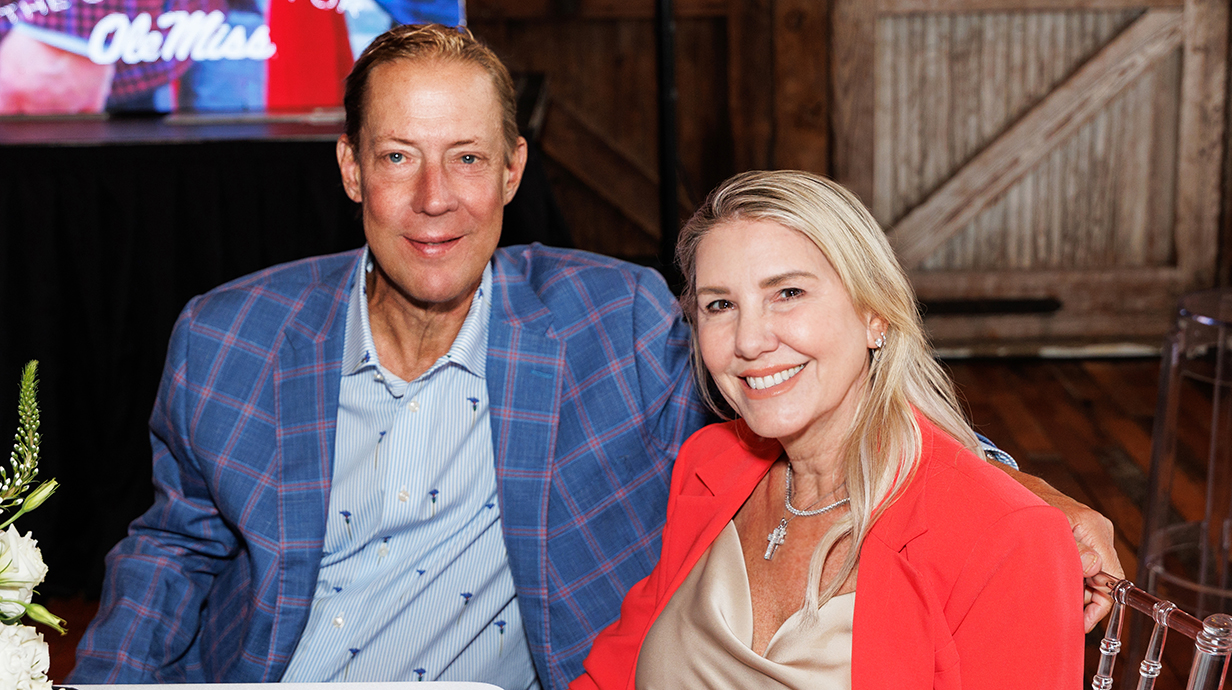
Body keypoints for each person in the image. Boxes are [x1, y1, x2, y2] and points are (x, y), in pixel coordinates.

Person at [69, 24, 1113, 690]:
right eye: (398, 158)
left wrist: (1018, 490)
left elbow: (804, 382)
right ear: (349, 168)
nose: (436, 199)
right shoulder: (228, 336)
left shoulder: (606, 323)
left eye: (467, 158)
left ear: (515, 168)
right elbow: (174, 550)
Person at [573, 171, 1085, 689]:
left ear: (874, 315)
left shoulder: (1007, 539)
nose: (749, 341)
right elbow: (613, 674)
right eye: (720, 305)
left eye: (788, 293)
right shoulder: (708, 464)